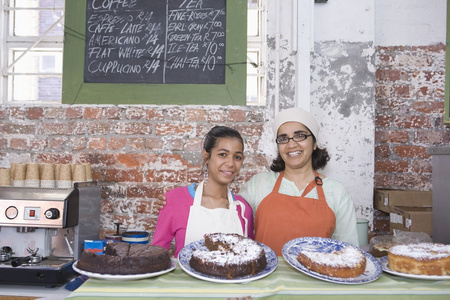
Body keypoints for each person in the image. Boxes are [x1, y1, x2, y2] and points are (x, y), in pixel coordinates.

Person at [155, 108, 359, 256]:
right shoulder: (259, 185)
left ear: (314, 143)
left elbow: (350, 253)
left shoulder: (336, 192)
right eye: (283, 138)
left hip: (318, 289)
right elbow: (223, 207)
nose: (291, 144)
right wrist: (171, 204)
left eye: (300, 136)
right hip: (265, 285)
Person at [151, 126, 254, 257]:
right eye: (223, 154)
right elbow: (156, 256)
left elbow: (248, 256)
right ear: (206, 156)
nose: (231, 163)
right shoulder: (173, 200)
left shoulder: (243, 208)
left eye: (237, 157)